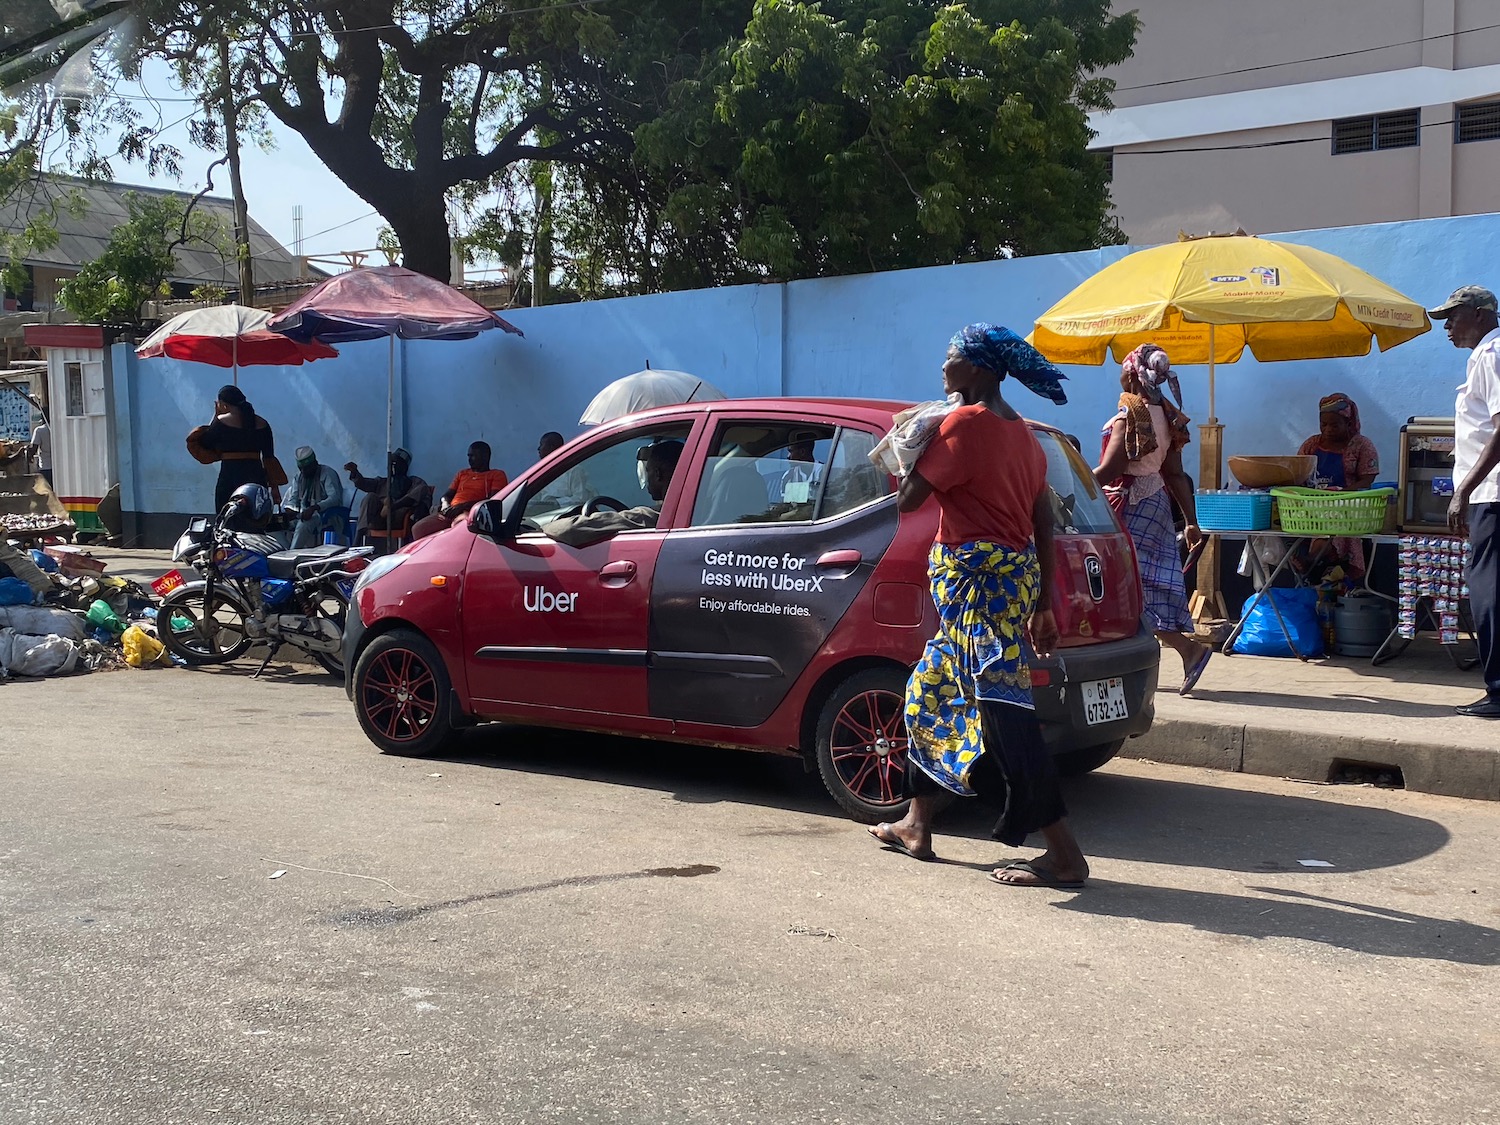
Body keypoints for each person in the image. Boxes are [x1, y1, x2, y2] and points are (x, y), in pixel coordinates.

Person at [868, 322, 1088, 890]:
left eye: (952, 359)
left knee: (1006, 714)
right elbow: (1043, 519)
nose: (943, 369)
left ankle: (1065, 855)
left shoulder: (964, 424)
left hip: (977, 592)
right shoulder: (1026, 435)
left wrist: (915, 436)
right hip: (1007, 587)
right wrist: (1042, 600)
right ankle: (917, 825)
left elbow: (909, 497)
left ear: (981, 370)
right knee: (926, 694)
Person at [1094, 343, 1214, 694]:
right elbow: (1174, 473)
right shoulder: (1165, 414)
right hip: (1157, 504)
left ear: (1131, 372)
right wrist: (1191, 521)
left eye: (1121, 368)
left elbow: (1113, 467)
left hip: (1130, 506)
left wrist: (1077, 482)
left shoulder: (1128, 414)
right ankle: (1137, 661)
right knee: (1147, 586)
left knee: (1127, 588)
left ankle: (1187, 649)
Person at [1431, 285, 1500, 719]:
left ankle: (1498, 691)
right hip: (1488, 493)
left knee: (1488, 592)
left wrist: (1464, 489)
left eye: (1452, 317)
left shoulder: (1492, 355)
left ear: (1478, 315)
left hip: (1492, 496)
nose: (1447, 327)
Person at [1294, 392, 1380, 581]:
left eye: (1334, 425)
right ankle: (1313, 561)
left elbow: (1368, 479)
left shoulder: (1362, 445)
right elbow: (1297, 473)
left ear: (1348, 423)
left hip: (1349, 506)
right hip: (1313, 508)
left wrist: (1340, 495)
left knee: (1336, 522)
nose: (1328, 430)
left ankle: (1311, 559)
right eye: (1324, 425)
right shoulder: (1311, 445)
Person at [542, 439, 683, 548]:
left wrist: (541, 529)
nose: (647, 479)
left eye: (648, 471)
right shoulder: (696, 512)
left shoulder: (656, 516)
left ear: (658, 474)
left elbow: (569, 530)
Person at [192, 385, 276, 513]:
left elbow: (205, 443)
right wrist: (274, 487)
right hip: (256, 477)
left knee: (226, 520)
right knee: (255, 518)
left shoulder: (221, 422)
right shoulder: (263, 424)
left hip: (230, 477)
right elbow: (269, 458)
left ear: (224, 405)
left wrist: (216, 416)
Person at [411, 441, 509, 539]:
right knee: (418, 528)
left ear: (485, 457)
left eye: (474, 456)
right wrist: (445, 505)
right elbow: (447, 495)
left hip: (470, 513)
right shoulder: (462, 474)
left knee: (458, 529)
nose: (470, 460)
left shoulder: (497, 475)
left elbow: (492, 500)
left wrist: (462, 507)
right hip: (450, 512)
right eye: (469, 456)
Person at [345, 449, 430, 548]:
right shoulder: (382, 482)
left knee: (396, 502)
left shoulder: (414, 481)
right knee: (370, 496)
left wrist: (393, 506)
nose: (392, 467)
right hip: (379, 520)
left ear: (404, 466)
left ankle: (390, 506)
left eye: (395, 463)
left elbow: (420, 491)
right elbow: (363, 483)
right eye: (390, 464)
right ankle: (357, 541)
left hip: (398, 519)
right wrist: (355, 472)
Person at [283, 445, 345, 548]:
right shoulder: (299, 477)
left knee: (304, 524)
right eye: (301, 469)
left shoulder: (328, 473)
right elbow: (293, 498)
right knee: (276, 525)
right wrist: (290, 509)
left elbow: (334, 498)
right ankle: (283, 552)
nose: (303, 472)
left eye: (306, 469)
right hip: (303, 514)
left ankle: (291, 557)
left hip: (326, 515)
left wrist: (315, 508)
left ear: (315, 463)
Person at [27, 420, 51, 489]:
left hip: (45, 466)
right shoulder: (59, 428)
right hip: (60, 468)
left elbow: (34, 448)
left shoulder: (39, 430)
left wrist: (28, 453)